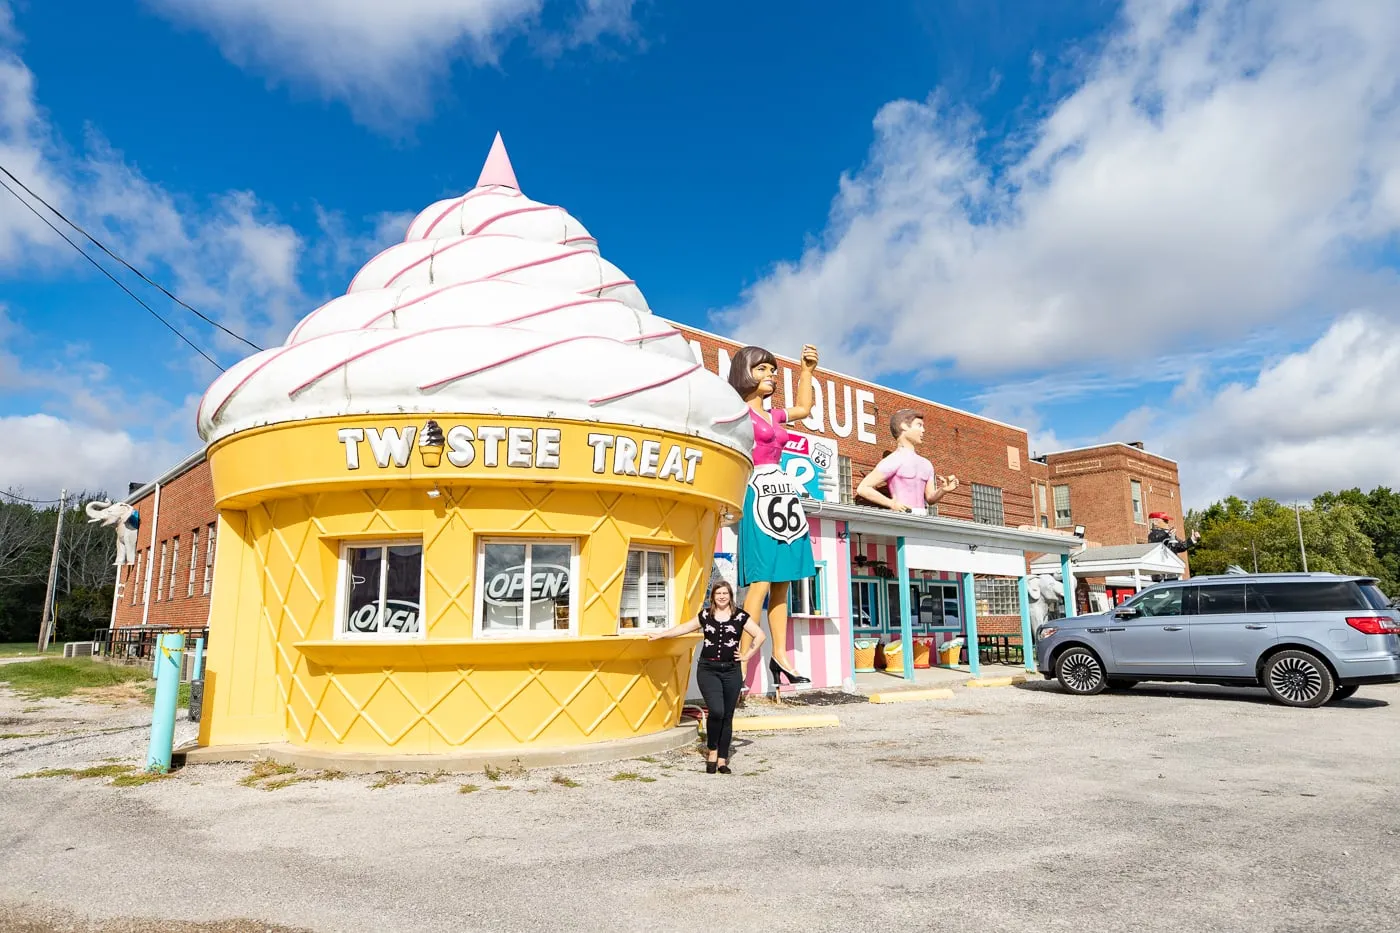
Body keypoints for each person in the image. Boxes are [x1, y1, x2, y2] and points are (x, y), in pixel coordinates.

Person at [727, 343, 819, 688]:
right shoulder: (735, 411)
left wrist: (806, 370)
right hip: (756, 491)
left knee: (783, 580)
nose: (770, 376)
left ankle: (780, 655)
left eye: (773, 371)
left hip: (784, 493)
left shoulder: (775, 415)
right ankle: (737, 661)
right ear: (745, 372)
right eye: (762, 369)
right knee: (761, 578)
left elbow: (805, 409)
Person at [649, 581, 765, 773]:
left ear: (730, 596)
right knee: (717, 711)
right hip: (708, 669)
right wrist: (661, 635)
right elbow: (684, 628)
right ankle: (712, 749)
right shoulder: (705, 615)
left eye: (725, 593)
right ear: (713, 597)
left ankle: (722, 759)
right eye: (718, 593)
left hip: (731, 671)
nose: (721, 596)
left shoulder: (740, 616)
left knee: (727, 716)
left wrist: (747, 655)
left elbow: (760, 635)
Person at [855, 409, 957, 515]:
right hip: (902, 518)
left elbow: (930, 499)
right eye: (919, 425)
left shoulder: (926, 464)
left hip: (924, 518)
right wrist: (891, 504)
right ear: (904, 426)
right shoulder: (894, 460)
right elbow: (863, 488)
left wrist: (944, 490)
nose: (923, 430)